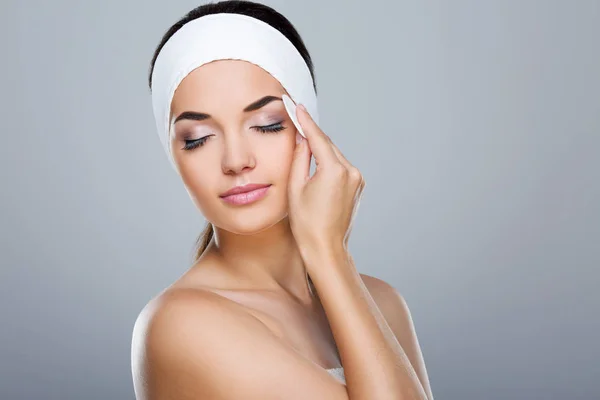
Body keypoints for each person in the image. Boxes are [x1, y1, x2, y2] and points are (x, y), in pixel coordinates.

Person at [131, 1, 434, 399]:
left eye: (267, 125)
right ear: (175, 157)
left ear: (309, 130)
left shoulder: (382, 302)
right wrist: (329, 253)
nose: (236, 160)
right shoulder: (179, 323)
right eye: (198, 138)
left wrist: (332, 263)